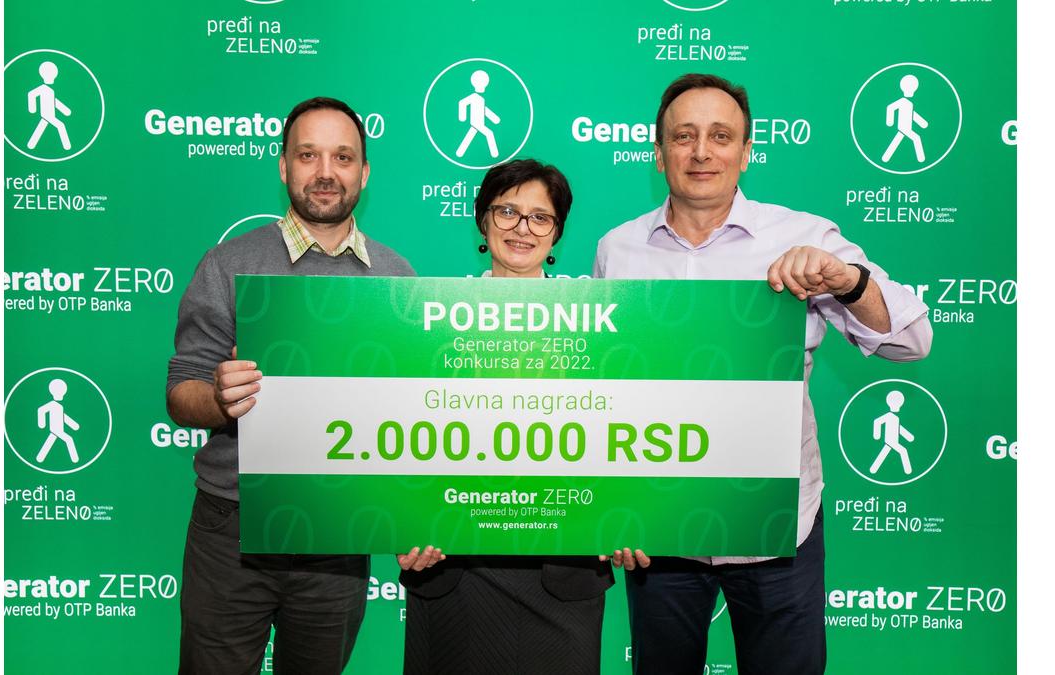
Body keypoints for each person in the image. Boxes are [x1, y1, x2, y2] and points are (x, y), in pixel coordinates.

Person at [593, 73, 932, 675]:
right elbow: (607, 389)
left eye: (721, 136)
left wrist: (847, 280)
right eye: (684, 136)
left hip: (778, 531)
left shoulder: (805, 237)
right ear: (658, 151)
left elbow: (912, 342)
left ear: (747, 152)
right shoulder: (617, 250)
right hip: (660, 531)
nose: (702, 152)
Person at [166, 96, 415, 675]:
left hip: (338, 532)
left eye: (342, 157)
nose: (325, 172)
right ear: (283, 167)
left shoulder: (397, 278)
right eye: (308, 155)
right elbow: (181, 393)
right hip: (233, 527)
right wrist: (220, 399)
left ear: (364, 173)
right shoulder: (227, 264)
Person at [398, 159, 613, 675]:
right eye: (507, 212)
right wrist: (405, 525)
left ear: (557, 232)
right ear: (482, 220)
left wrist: (624, 514)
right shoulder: (427, 319)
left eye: (540, 217)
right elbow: (403, 439)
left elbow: (620, 433)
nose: (522, 228)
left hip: (565, 566)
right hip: (452, 565)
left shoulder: (599, 322)